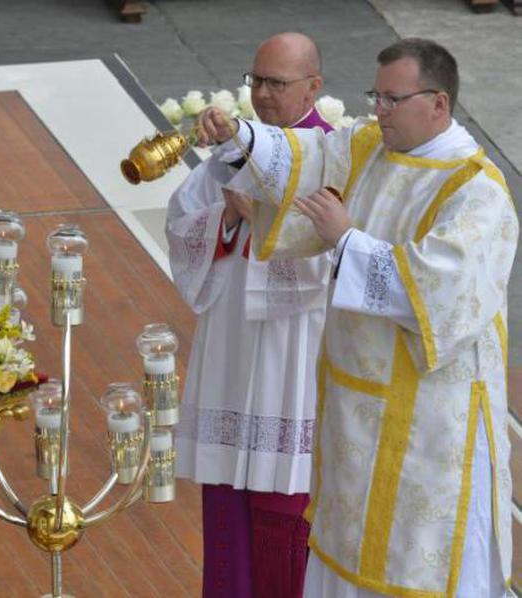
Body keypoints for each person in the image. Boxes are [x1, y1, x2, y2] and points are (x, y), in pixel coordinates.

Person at [198, 38, 515, 597]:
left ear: (439, 104)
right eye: (377, 95)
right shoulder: (371, 146)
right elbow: (306, 161)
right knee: (343, 554)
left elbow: (438, 291)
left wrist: (346, 240)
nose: (379, 110)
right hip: (354, 409)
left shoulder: (475, 191)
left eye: (393, 99)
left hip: (430, 426)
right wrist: (241, 138)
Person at [168, 33, 332, 598]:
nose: (261, 95)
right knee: (224, 507)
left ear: (314, 85)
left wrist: (262, 221)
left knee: (281, 509)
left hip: (291, 353)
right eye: (255, 80)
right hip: (232, 347)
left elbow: (327, 260)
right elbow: (183, 218)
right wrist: (229, 220)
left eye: (276, 84)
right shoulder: (234, 148)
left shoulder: (331, 154)